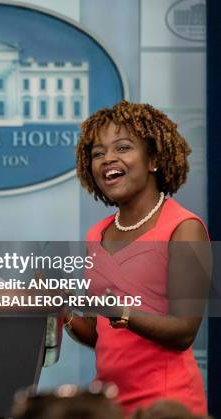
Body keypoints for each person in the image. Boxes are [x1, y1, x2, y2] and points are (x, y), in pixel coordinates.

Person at [66, 100, 209, 415]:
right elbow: (103, 334)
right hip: (110, 404)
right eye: (98, 153)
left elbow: (184, 332)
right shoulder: (96, 235)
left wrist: (123, 312)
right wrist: (59, 308)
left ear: (154, 160)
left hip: (167, 405)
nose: (108, 159)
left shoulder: (185, 228)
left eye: (122, 148)